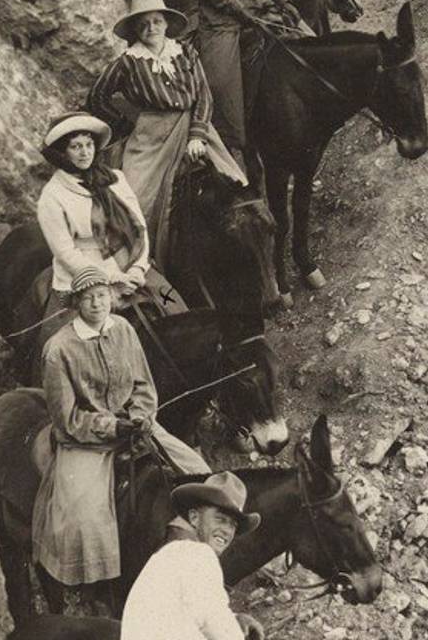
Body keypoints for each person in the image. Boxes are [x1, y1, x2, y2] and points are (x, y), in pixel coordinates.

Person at [32, 266, 212, 611]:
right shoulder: (59, 350)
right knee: (85, 515)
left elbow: (143, 385)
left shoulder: (124, 329)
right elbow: (66, 418)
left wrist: (141, 416)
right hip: (87, 440)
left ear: (111, 297)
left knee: (198, 470)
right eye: (88, 298)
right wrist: (111, 427)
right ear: (76, 303)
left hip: (136, 425)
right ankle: (94, 592)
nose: (97, 303)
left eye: (102, 295)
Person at [86, 0, 246, 271]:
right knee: (136, 201)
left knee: (235, 183)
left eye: (156, 21)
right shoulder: (128, 61)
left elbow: (204, 96)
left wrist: (197, 135)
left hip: (194, 126)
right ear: (135, 29)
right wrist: (128, 125)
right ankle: (144, 265)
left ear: (166, 23)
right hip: (150, 139)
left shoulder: (185, 52)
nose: (151, 28)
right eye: (144, 24)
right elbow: (97, 98)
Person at [33, 111, 186, 380]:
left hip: (131, 265)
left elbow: (138, 227)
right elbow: (65, 252)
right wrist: (112, 278)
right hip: (82, 277)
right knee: (61, 351)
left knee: (176, 307)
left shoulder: (115, 179)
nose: (84, 152)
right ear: (62, 152)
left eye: (88, 144)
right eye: (75, 146)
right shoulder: (53, 196)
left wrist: (138, 269)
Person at [121, 471, 265, 640]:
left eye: (232, 525)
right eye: (220, 519)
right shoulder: (199, 555)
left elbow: (193, 613)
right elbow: (218, 627)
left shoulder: (168, 555)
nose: (227, 530)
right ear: (194, 518)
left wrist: (234, 619)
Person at [194, 0, 305, 173]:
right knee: (219, 85)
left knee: (307, 41)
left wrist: (285, 1)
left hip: (261, 5)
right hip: (222, 20)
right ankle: (235, 145)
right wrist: (240, 9)